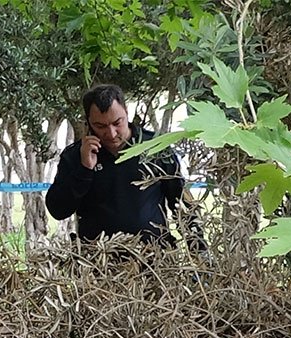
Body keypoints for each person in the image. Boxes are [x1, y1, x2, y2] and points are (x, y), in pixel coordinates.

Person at [45, 83, 187, 244]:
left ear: (127, 112)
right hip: (97, 260)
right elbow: (58, 210)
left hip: (153, 258)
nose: (111, 133)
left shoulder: (156, 147)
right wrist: (84, 170)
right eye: (100, 126)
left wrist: (200, 252)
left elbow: (182, 204)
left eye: (117, 123)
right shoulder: (74, 156)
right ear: (88, 122)